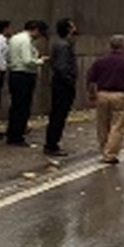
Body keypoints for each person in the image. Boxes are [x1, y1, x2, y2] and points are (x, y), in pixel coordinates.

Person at [86, 34, 124, 164]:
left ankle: (104, 150)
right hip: (121, 95)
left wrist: (92, 95)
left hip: (102, 94)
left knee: (102, 124)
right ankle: (110, 154)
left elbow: (91, 80)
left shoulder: (100, 61)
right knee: (117, 125)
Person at [5, 19, 48, 147]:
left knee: (16, 106)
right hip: (24, 74)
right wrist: (40, 61)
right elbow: (27, 60)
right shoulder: (26, 40)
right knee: (23, 106)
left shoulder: (14, 38)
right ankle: (17, 136)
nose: (39, 36)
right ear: (35, 29)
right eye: (40, 33)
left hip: (14, 73)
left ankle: (12, 132)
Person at [44, 17, 78, 157]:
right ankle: (52, 144)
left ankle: (52, 143)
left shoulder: (61, 44)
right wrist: (69, 80)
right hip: (63, 84)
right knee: (59, 114)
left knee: (58, 113)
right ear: (68, 29)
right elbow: (61, 67)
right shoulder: (63, 46)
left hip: (61, 82)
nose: (75, 28)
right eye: (73, 26)